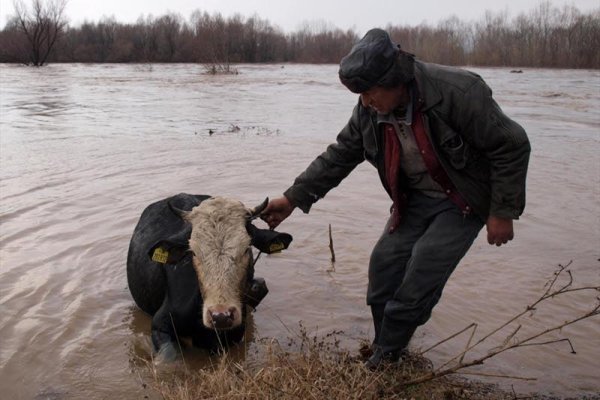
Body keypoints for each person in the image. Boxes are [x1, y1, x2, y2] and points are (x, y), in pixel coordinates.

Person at [261, 28, 530, 369]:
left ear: (396, 80)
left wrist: (502, 212)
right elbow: (341, 154)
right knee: (383, 266)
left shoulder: (457, 92)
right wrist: (292, 198)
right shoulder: (369, 109)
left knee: (422, 268)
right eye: (360, 95)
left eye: (370, 93)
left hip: (462, 200)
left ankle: (386, 358)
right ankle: (386, 345)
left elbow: (512, 145)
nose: (365, 102)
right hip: (413, 199)